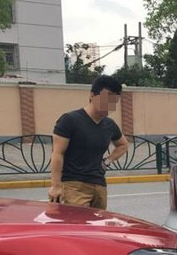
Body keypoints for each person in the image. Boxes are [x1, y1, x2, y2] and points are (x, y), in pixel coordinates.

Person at [48, 76, 129, 209]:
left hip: (99, 185)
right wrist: (55, 186)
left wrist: (106, 162)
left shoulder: (109, 125)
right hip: (73, 186)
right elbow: (57, 153)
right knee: (78, 226)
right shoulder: (69, 120)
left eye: (113, 100)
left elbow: (123, 145)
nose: (109, 104)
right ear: (92, 95)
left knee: (98, 227)